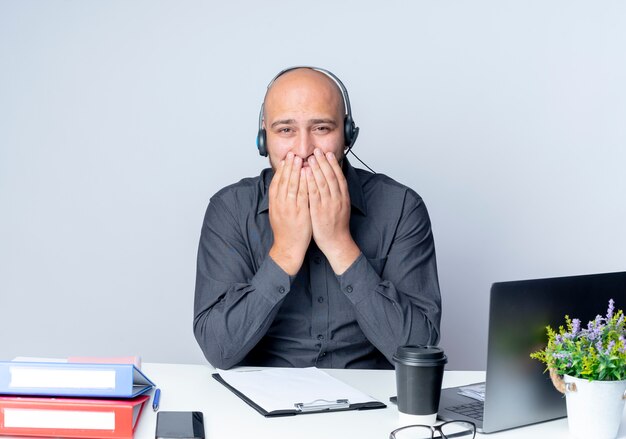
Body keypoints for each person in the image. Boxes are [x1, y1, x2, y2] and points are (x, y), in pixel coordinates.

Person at [193, 66, 441, 370]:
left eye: (321, 128)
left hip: (374, 408)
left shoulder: (402, 207)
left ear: (348, 135)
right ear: (263, 139)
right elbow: (219, 349)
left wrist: (340, 244)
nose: (303, 149)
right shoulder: (229, 209)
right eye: (286, 130)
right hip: (261, 407)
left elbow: (419, 350)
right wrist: (285, 252)